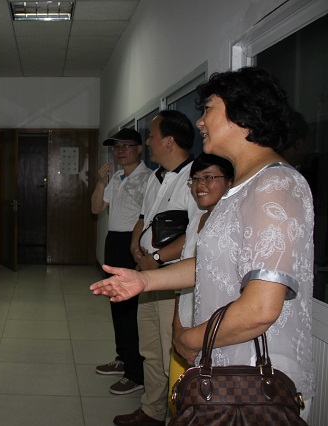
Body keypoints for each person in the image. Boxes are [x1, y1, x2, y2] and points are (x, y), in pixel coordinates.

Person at [91, 67, 315, 422]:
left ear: (243, 115)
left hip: (253, 379)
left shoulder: (275, 185)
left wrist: (190, 339)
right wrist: (144, 281)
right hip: (222, 363)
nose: (199, 122)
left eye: (208, 109)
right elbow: (212, 263)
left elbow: (261, 308)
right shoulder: (242, 186)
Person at [114, 110, 199, 426]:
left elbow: (196, 234)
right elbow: (143, 217)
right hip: (147, 274)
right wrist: (135, 245)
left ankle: (177, 415)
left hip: (172, 279)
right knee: (149, 347)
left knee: (169, 352)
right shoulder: (155, 177)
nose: (148, 142)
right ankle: (152, 410)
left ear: (169, 141)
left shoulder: (196, 178)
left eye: (151, 136)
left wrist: (158, 258)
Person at [168, 153, 233, 413]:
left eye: (209, 177)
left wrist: (194, 337)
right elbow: (185, 276)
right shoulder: (198, 219)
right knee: (179, 401)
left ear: (230, 181)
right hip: (186, 324)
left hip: (212, 332)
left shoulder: (231, 224)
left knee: (206, 406)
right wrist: (177, 326)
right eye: (195, 179)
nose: (200, 185)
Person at [91, 128, 150, 395]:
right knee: (116, 302)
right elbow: (96, 208)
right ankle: (123, 357)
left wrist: (136, 247)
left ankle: (135, 373)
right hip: (114, 241)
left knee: (130, 310)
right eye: (117, 147)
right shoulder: (116, 177)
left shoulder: (148, 178)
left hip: (132, 243)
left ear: (139, 148)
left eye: (127, 146)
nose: (121, 151)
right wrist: (100, 182)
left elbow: (146, 218)